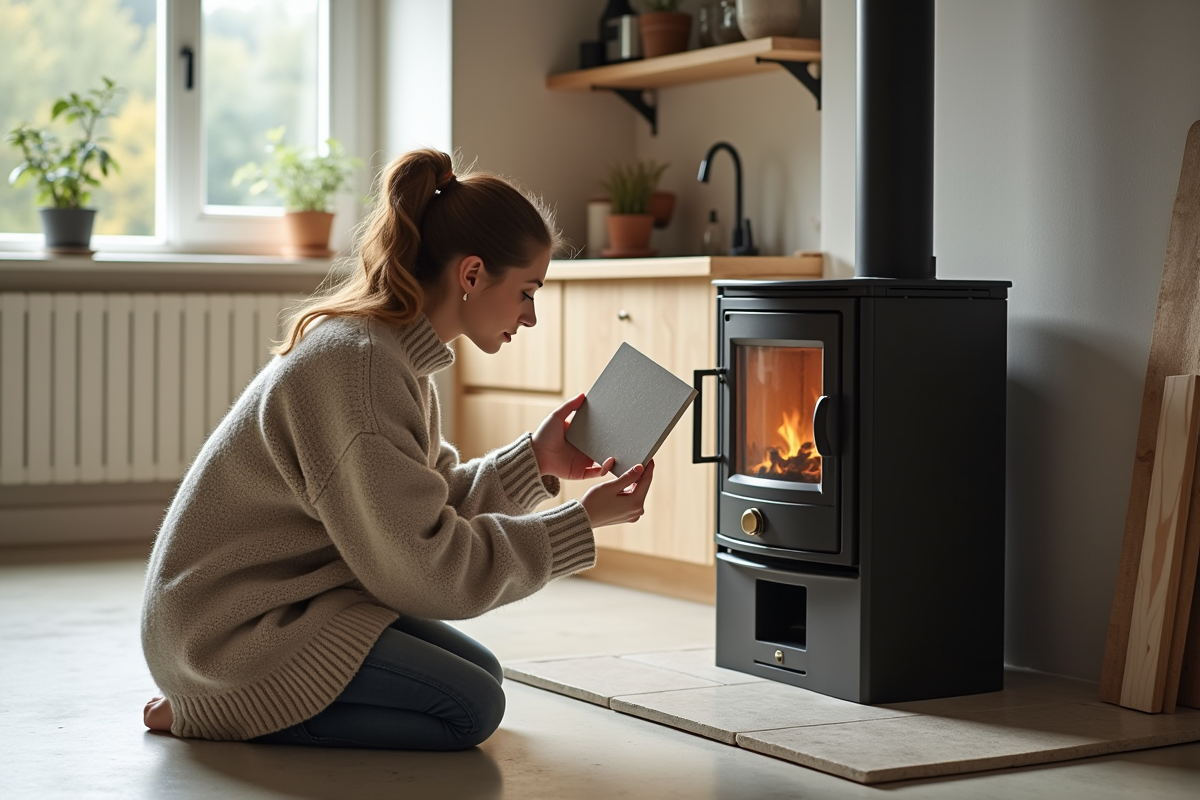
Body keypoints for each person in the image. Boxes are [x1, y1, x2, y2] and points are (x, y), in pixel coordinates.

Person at [140, 148, 654, 750]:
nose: (531, 316)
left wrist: (534, 460)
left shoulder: (389, 356)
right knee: (473, 708)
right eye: (526, 292)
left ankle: (225, 701)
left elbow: (420, 512)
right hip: (226, 634)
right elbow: (429, 572)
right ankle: (216, 709)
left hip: (290, 598)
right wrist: (580, 524)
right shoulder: (362, 371)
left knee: (482, 673)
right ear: (471, 275)